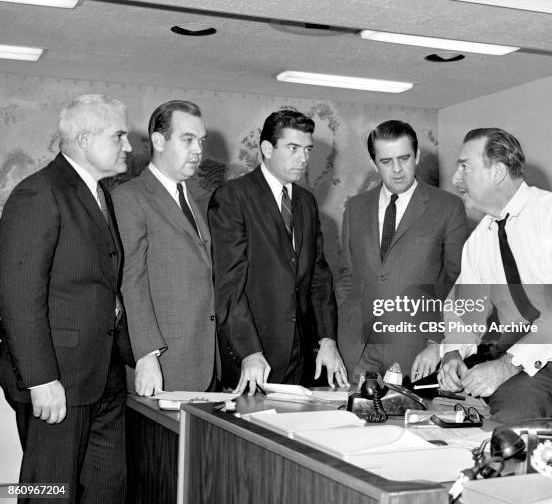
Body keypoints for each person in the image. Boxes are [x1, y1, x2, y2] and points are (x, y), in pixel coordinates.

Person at [0, 94, 134, 503]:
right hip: (56, 379)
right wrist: (41, 379)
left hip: (101, 376)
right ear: (83, 138)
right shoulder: (39, 192)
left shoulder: (99, 194)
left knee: (106, 490)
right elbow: (18, 294)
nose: (128, 146)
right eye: (119, 135)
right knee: (48, 493)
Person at [435, 127, 552, 422]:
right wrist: (452, 354)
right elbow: (465, 311)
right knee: (509, 420)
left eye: (465, 167)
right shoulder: (479, 241)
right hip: (524, 350)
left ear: (498, 171)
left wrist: (506, 366)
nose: (455, 179)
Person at [208, 109, 348, 394]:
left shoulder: (307, 203)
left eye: (307, 150)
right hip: (254, 361)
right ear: (267, 149)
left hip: (303, 362)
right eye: (293, 148)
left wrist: (327, 340)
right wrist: (248, 351)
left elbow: (319, 278)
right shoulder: (233, 197)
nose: (303, 158)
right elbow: (228, 286)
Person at [336, 120, 467, 382]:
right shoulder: (355, 207)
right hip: (358, 351)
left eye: (404, 158)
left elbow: (459, 283)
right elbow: (346, 276)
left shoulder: (448, 207)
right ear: (374, 163)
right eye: (386, 161)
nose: (397, 170)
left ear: (417, 156)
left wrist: (437, 343)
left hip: (416, 352)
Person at [112, 100, 217, 395]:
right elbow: (130, 281)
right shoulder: (130, 198)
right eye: (188, 139)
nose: (198, 149)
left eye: (201, 141)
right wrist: (147, 355)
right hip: (163, 366)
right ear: (159, 141)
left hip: (204, 361)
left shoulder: (193, 200)